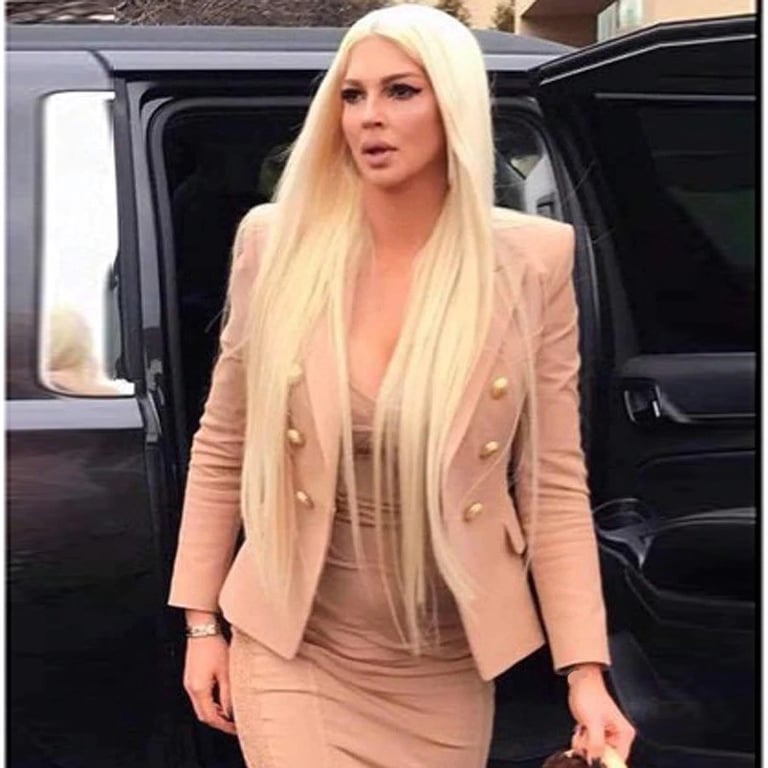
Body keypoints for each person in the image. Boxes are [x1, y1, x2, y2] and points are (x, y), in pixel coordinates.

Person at [168, 4, 636, 767]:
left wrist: (585, 673)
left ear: (453, 104)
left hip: (443, 659)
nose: (370, 117)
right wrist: (200, 623)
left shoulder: (533, 262)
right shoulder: (274, 244)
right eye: (353, 95)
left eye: (401, 91)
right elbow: (223, 440)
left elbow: (551, 483)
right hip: (296, 643)